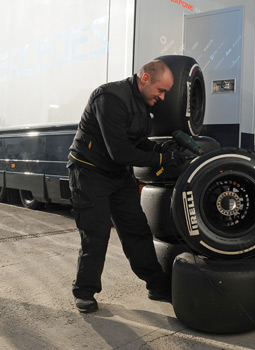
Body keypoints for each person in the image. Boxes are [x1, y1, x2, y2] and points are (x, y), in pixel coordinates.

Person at [67, 59, 185, 313]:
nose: (163, 97)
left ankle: (157, 285)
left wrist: (158, 148)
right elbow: (120, 150)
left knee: (137, 230)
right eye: (160, 90)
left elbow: (137, 141)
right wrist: (161, 159)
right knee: (96, 234)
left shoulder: (143, 103)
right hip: (89, 171)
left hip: (117, 175)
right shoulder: (109, 98)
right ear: (145, 79)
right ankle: (84, 291)